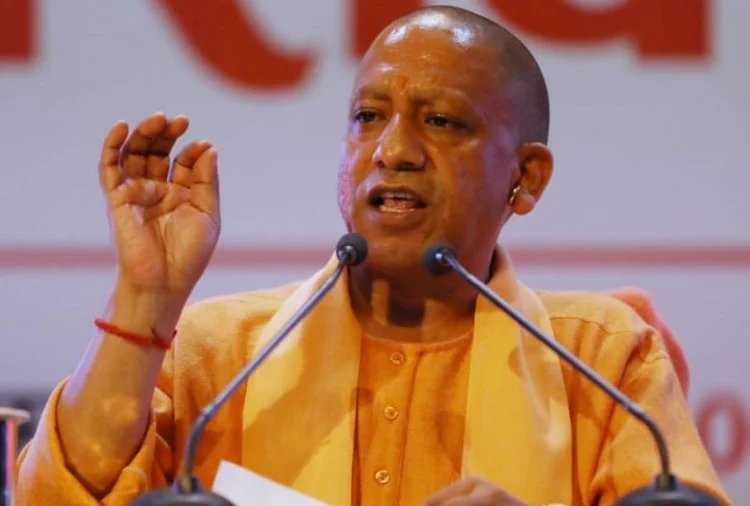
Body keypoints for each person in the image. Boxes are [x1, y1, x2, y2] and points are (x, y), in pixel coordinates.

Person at [16, 5, 729, 506]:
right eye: (368, 116)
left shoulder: (601, 357)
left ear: (526, 177)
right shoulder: (220, 353)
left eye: (441, 121)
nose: (393, 150)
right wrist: (146, 296)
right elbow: (59, 498)